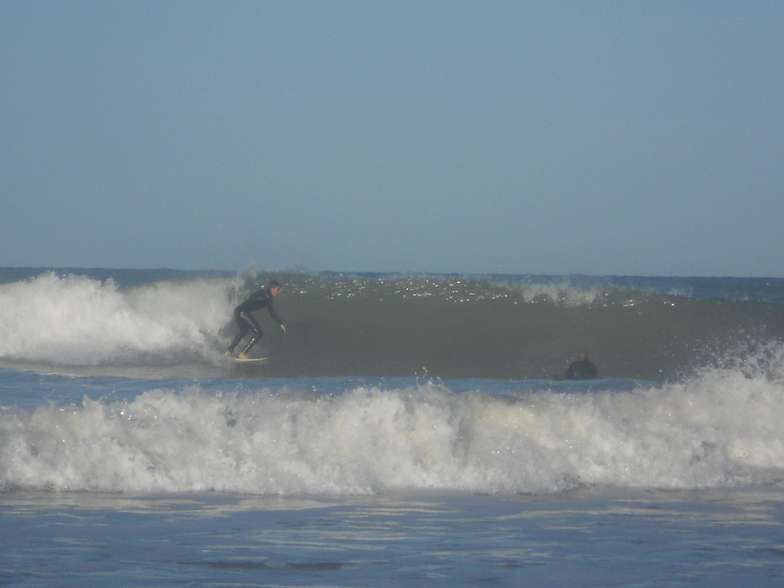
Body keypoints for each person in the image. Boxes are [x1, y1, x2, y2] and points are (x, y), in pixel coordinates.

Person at [224, 281, 287, 359]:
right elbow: (271, 311)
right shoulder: (266, 297)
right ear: (272, 289)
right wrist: (281, 323)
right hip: (242, 312)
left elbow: (253, 298)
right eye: (278, 289)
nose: (279, 292)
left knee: (244, 331)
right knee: (259, 333)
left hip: (238, 310)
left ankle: (229, 351)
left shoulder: (264, 294)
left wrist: (280, 323)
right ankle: (243, 353)